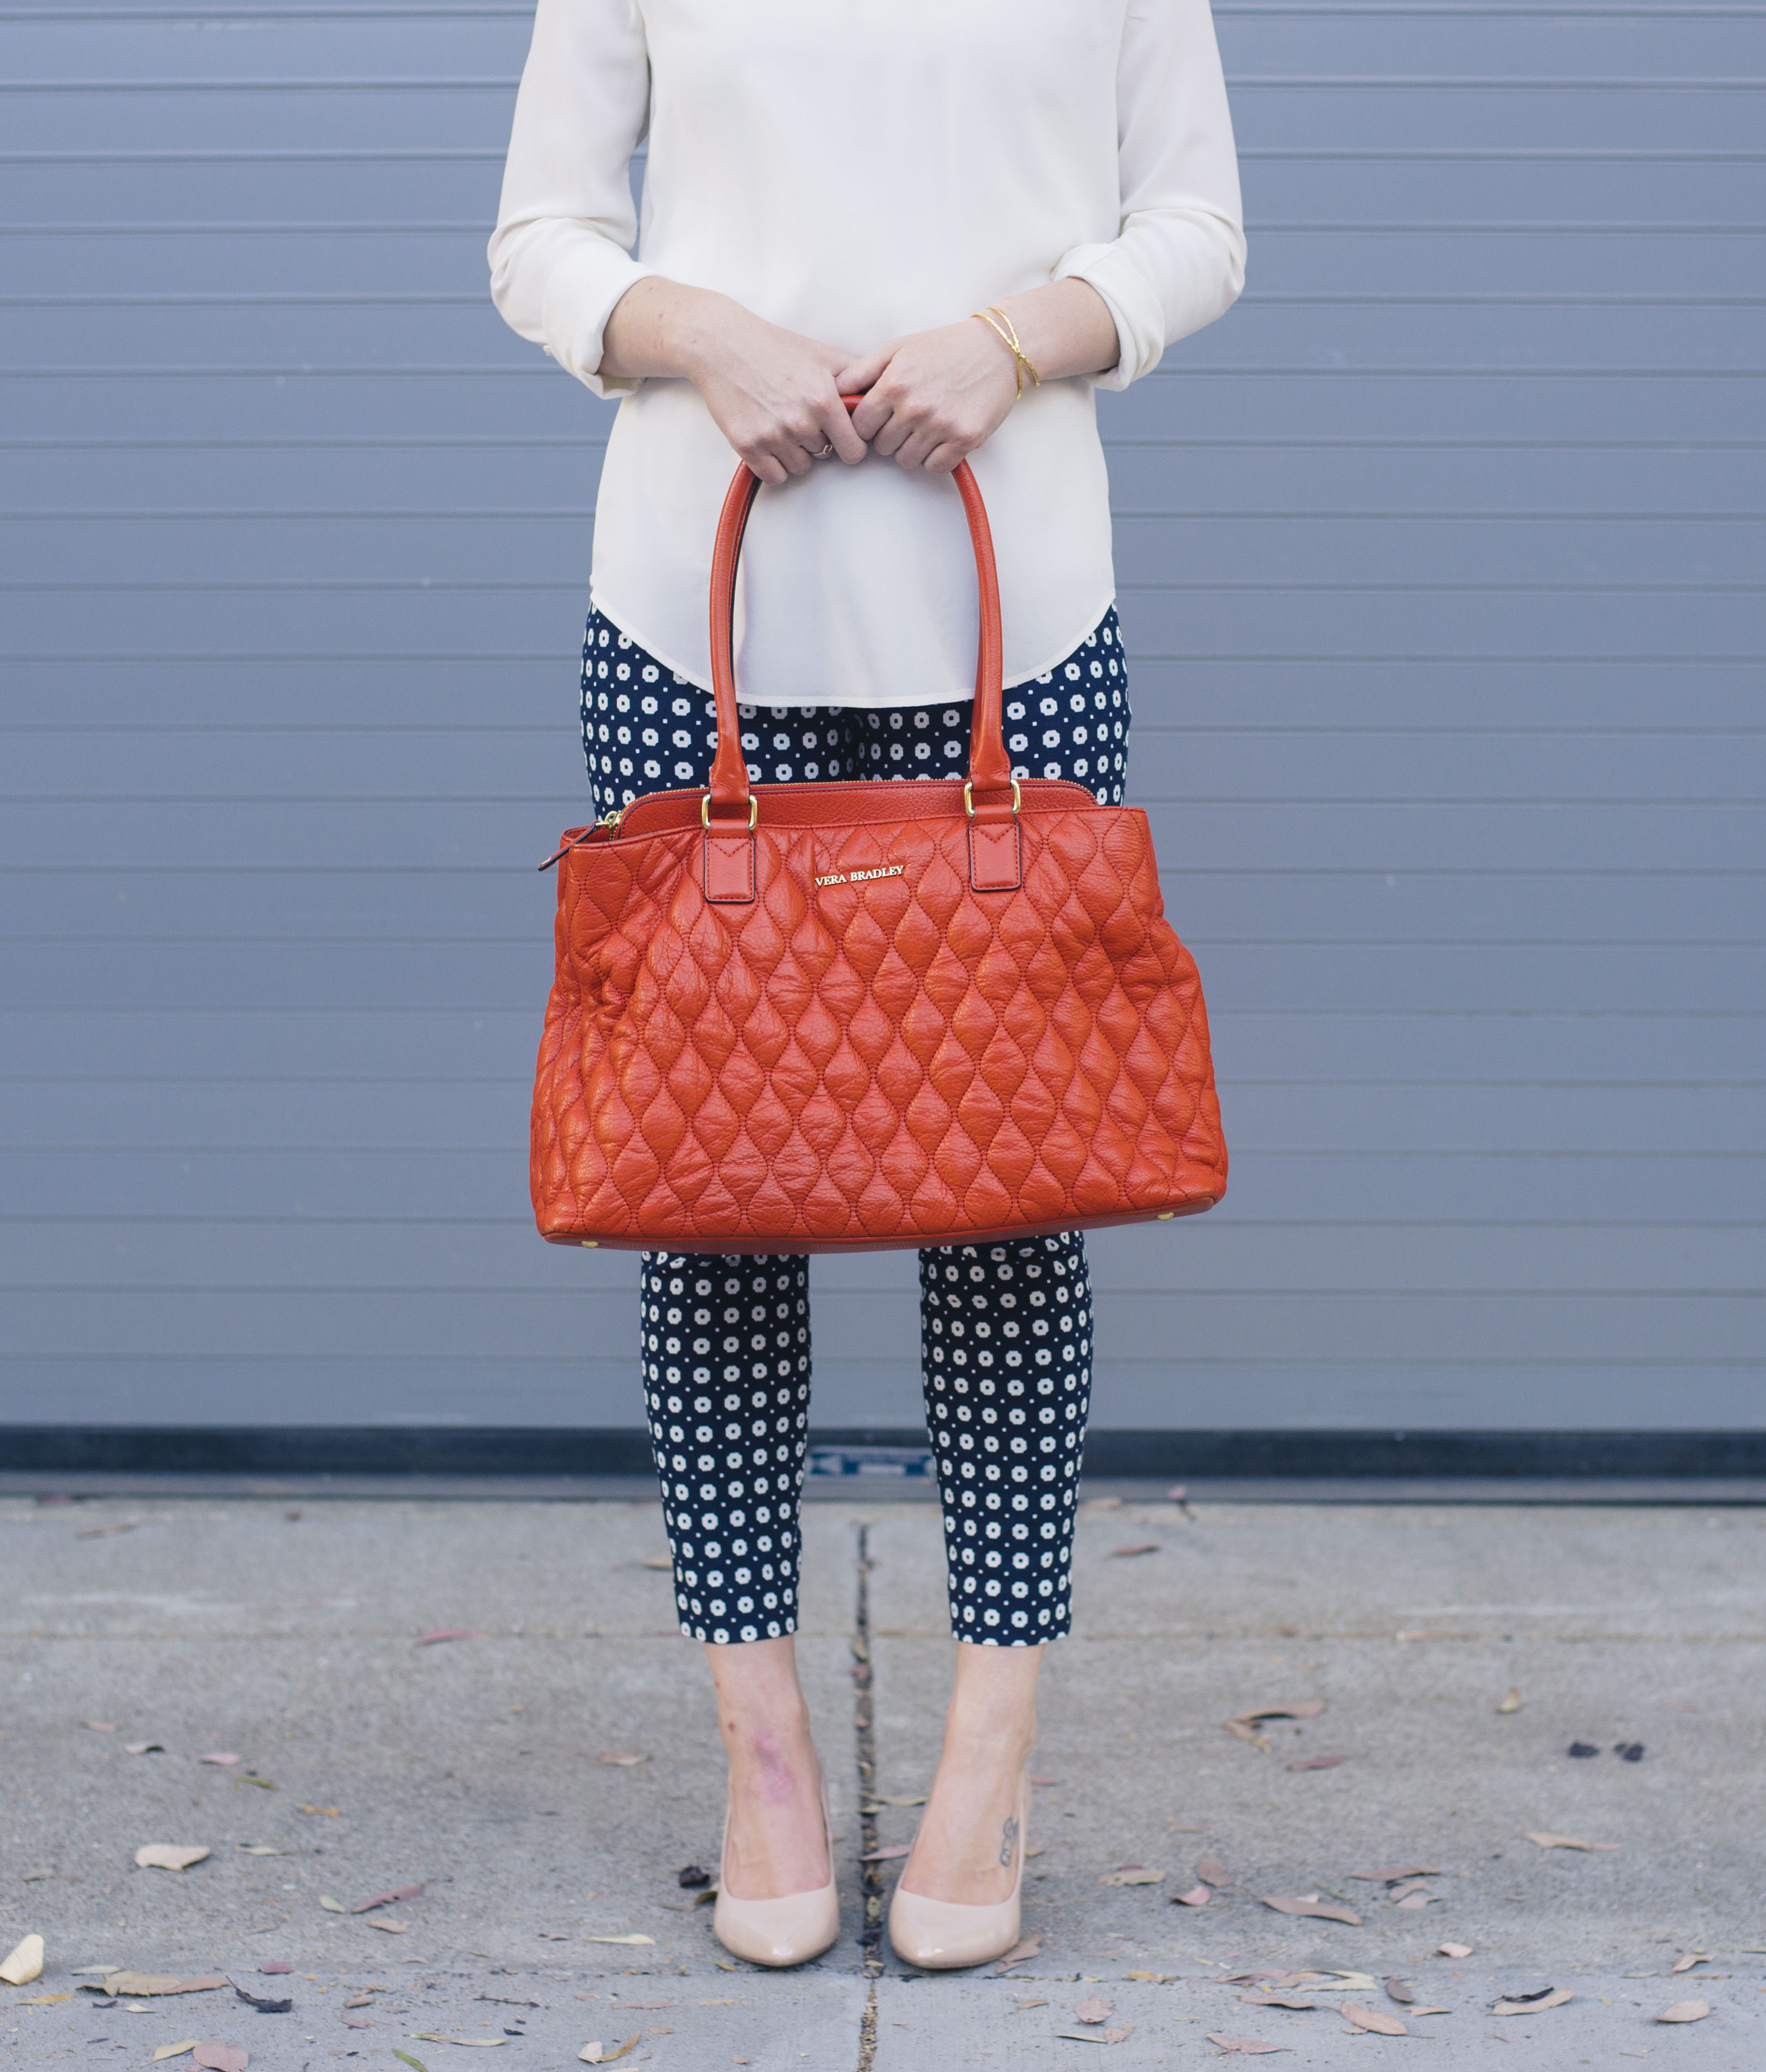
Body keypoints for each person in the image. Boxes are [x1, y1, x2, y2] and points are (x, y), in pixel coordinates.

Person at [488, 0, 1242, 1973]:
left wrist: (1010, 341)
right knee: (712, 1208)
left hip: (1023, 624)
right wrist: (699, 332)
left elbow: (1195, 227)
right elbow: (539, 237)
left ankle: (988, 1762)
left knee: (1013, 1206)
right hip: (693, 616)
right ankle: (763, 1759)